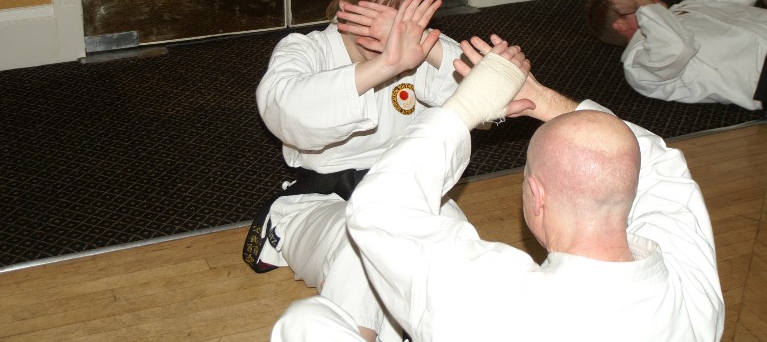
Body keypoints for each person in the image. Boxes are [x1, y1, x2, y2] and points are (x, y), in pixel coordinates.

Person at [273, 26, 724, 341]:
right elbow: (653, 157)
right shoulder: (692, 289)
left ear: (536, 197)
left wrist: (469, 106)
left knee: (306, 322)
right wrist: (538, 97)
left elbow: (378, 209)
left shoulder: (495, 303)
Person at [246, 0, 469, 342]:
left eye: (395, 24)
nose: (380, 37)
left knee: (454, 251)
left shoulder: (421, 52)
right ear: (344, 5)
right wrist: (384, 66)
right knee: (362, 246)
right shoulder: (306, 50)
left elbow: (488, 98)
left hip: (405, 199)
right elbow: (285, 110)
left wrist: (425, 43)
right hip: (319, 205)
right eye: (370, 19)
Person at [585, 0, 767, 110]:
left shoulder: (687, 7)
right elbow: (677, 47)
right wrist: (641, 2)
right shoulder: (639, 64)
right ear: (622, 25)